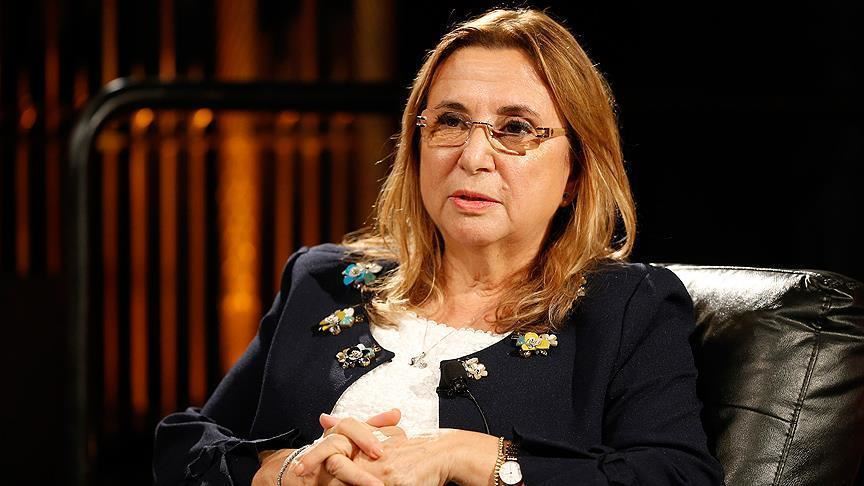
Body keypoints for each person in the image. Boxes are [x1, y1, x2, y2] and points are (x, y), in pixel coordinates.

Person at [153, 7, 724, 486]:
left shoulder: (626, 308)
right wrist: (279, 471)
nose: (473, 158)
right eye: (450, 121)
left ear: (575, 172)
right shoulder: (322, 281)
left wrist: (472, 457)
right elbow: (184, 445)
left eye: (516, 129)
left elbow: (676, 475)